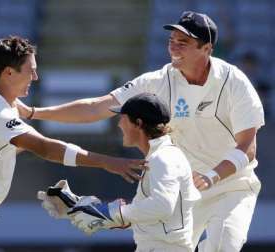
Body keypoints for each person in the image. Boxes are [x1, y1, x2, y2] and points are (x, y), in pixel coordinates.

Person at [19, 11, 265, 251]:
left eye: (184, 42)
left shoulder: (233, 81)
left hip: (231, 185)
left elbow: (248, 148)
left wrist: (210, 177)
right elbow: (96, 108)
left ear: (206, 49)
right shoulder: (157, 81)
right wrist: (33, 113)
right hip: (186, 189)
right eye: (172, 41)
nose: (174, 48)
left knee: (223, 246)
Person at [0, 36, 146, 252]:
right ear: (8, 73)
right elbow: (44, 148)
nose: (36, 76)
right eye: (30, 70)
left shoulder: (1, 104)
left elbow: (25, 148)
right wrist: (106, 162)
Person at [39, 93, 201, 252]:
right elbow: (150, 216)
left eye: (123, 118)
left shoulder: (164, 157)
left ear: (138, 123)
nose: (119, 125)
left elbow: (162, 206)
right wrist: (79, 208)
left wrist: (109, 213)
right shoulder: (160, 156)